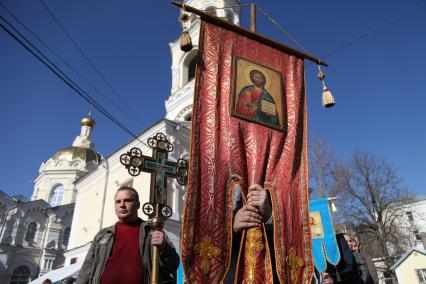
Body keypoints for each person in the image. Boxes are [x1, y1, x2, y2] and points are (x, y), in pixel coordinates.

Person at [77, 186, 179, 284]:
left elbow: (173, 266)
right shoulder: (103, 235)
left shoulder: (151, 231)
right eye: (118, 201)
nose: (122, 205)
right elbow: (87, 268)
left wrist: (165, 248)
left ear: (138, 205)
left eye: (128, 200)